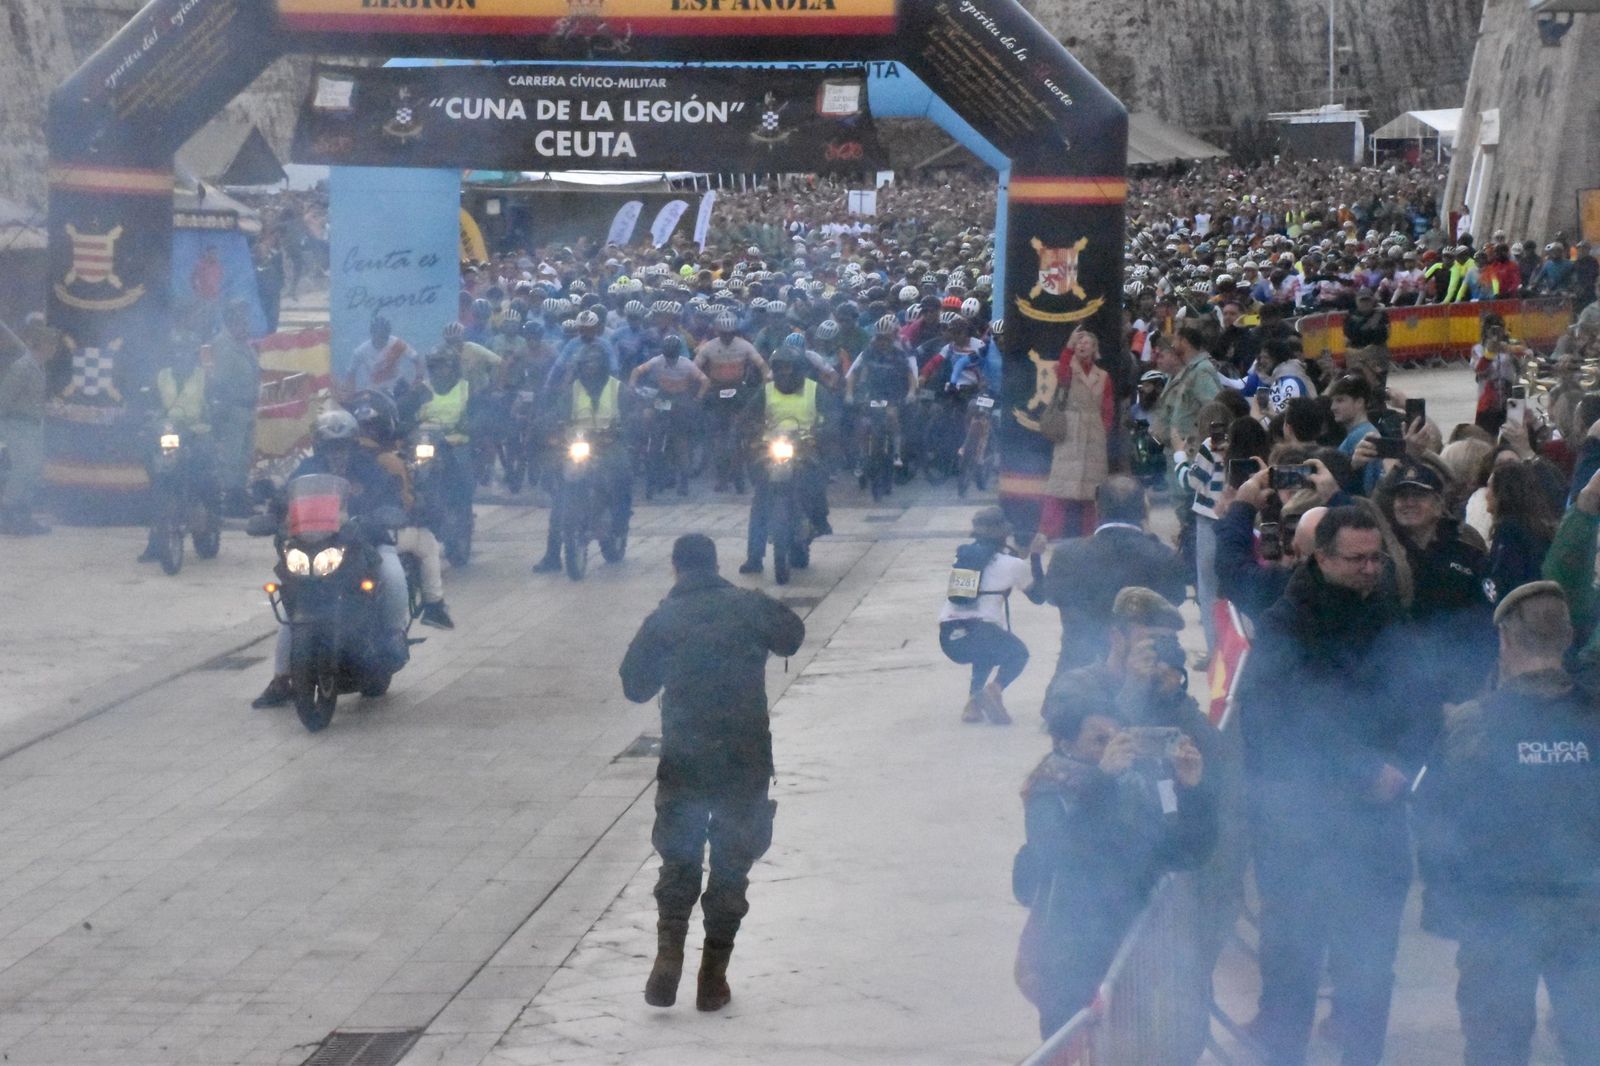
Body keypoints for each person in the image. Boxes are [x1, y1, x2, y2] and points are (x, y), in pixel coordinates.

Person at [1234, 506, 1429, 1066]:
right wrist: (1362, 770)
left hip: (1378, 830)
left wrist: (1407, 765)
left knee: (1369, 970)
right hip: (1303, 831)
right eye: (1356, 559)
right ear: (1320, 558)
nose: (1371, 569)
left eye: (1377, 558)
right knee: (1293, 969)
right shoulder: (1286, 624)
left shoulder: (1389, 613)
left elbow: (1417, 700)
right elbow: (1280, 722)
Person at [1415, 581, 1600, 1066]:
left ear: (1504, 641)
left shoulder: (1473, 723)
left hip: (1497, 916)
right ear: (1567, 637)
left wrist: (1449, 905)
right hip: (1588, 913)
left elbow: (1435, 816)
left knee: (1496, 1049)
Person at [619, 533, 805, 1012]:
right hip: (744, 760)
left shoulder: (665, 619)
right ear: (716, 564)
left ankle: (667, 957)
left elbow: (635, 686)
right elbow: (792, 635)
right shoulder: (746, 606)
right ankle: (712, 977)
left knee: (679, 859)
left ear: (676, 567)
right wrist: (755, 602)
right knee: (731, 863)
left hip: (686, 759)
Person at [1012, 691, 1214, 1038]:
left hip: (1135, 950)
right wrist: (1102, 780)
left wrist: (1191, 789)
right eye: (1097, 740)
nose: (1109, 749)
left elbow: (1186, 852)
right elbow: (1071, 856)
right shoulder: (1049, 793)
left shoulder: (1136, 785)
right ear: (1065, 743)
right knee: (1074, 1042)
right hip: (1071, 954)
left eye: (1115, 738)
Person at [252, 409, 412, 708]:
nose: (337, 453)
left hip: (368, 544)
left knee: (392, 575)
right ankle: (281, 678)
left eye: (343, 446)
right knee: (291, 606)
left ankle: (394, 635)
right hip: (317, 548)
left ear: (353, 445)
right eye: (330, 447)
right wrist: (272, 516)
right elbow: (285, 499)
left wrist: (387, 512)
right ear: (320, 447)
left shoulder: (370, 469)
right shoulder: (307, 470)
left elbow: (390, 497)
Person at [1038, 476, 1187, 677]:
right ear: (1144, 509)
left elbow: (1052, 597)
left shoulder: (1067, 555)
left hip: (1077, 673)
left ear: (1098, 508)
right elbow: (1175, 599)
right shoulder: (1163, 557)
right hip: (1147, 673)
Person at [937, 507, 1047, 724]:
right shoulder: (1014, 565)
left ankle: (973, 705)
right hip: (982, 631)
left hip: (950, 637)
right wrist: (1035, 556)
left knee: (985, 652)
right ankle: (994, 690)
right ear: (1004, 534)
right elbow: (1039, 597)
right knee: (1018, 654)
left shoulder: (965, 557)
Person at [532, 343, 630, 573]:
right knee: (558, 495)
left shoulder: (618, 389)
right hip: (578, 445)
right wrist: (548, 427)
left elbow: (631, 415)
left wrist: (621, 430)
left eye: (595, 365)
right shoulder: (571, 390)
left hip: (609, 446)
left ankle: (620, 523)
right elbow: (557, 413)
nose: (591, 370)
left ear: (604, 366)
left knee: (623, 474)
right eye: (586, 366)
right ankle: (552, 555)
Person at [740, 349, 829, 575]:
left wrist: (825, 431)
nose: (783, 374)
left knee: (815, 487)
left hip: (805, 448)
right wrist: (750, 433)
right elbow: (747, 416)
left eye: (788, 369)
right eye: (779, 369)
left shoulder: (815, 390)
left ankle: (818, 522)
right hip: (771, 448)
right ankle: (754, 556)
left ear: (799, 370)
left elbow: (832, 415)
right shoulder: (765, 391)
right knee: (761, 497)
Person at [1042, 328, 1113, 538]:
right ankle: (1049, 532)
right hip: (1071, 429)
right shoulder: (1066, 368)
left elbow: (1107, 407)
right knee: (1061, 486)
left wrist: (1103, 429)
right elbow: (1063, 376)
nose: (1082, 345)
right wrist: (1068, 346)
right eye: (1079, 342)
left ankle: (1091, 533)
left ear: (1095, 349)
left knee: (1093, 490)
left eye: (1087, 342)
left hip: (1094, 433)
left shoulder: (1104, 376)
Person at [207, 299, 262, 517]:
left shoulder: (244, 344)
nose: (246, 324)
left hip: (247, 408)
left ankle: (239, 494)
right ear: (231, 320)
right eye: (241, 319)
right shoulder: (223, 345)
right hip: (233, 410)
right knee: (232, 456)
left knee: (244, 456)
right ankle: (231, 498)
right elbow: (219, 382)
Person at [1484, 460, 1560, 606]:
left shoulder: (1509, 531)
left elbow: (1503, 581)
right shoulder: (1540, 528)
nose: (1486, 493)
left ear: (1502, 492)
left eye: (1489, 487)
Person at [0, 323, 52, 535]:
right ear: (41, 345)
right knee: (22, 469)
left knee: (33, 470)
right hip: (17, 424)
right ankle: (7, 513)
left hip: (32, 424)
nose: (53, 349)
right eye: (50, 344)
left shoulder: (38, 367)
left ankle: (23, 515)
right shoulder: (22, 367)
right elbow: (5, 398)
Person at [342, 316, 424, 401]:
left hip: (399, 386)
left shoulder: (396, 343)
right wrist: (351, 392)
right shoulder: (361, 351)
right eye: (379, 336)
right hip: (376, 390)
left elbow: (416, 359)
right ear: (372, 334)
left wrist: (419, 378)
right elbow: (351, 372)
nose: (382, 340)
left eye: (385, 336)